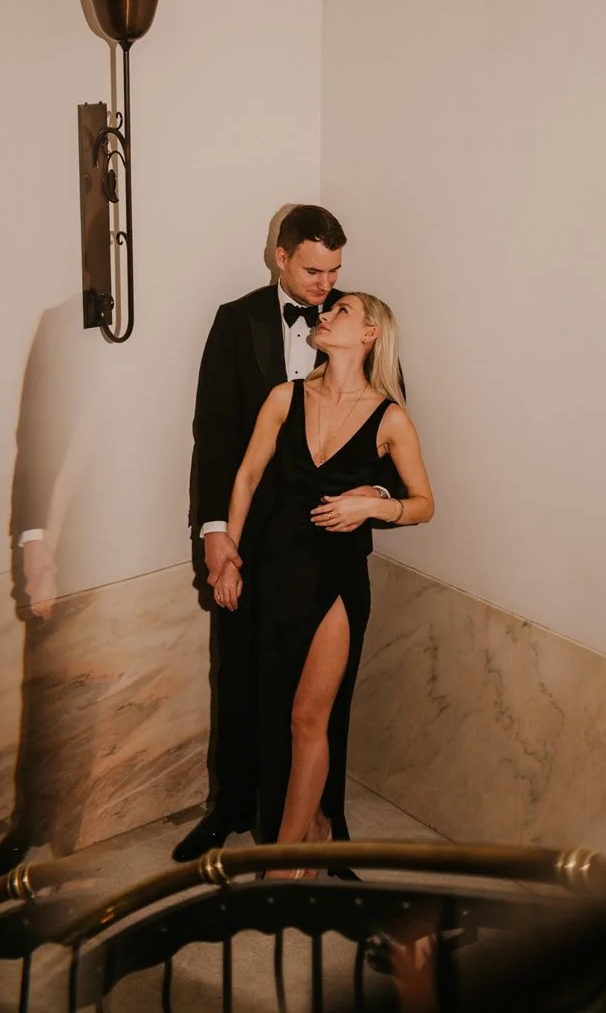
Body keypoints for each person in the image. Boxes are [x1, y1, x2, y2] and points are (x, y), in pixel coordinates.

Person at [172, 205, 399, 864]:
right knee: (240, 675)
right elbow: (216, 438)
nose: (324, 286)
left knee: (324, 697)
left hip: (328, 545)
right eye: (312, 271)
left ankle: (325, 820)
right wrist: (216, 533)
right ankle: (231, 809)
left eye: (334, 271)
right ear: (280, 257)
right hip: (252, 540)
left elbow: (388, 428)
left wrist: (375, 497)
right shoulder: (234, 320)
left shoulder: (358, 322)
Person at [214, 292, 434, 872]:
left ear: (369, 335)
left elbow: (423, 503)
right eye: (329, 310)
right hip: (275, 572)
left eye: (342, 312)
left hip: (337, 580)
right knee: (277, 714)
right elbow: (247, 476)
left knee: (309, 718)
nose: (326, 315)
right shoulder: (284, 397)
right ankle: (314, 824)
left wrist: (375, 506)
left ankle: (285, 859)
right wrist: (229, 555)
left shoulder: (390, 417)